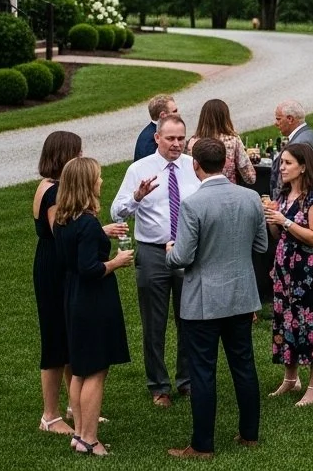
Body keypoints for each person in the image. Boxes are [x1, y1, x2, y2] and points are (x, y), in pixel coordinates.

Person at [166, 139, 268, 459]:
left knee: (203, 372)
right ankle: (249, 435)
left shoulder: (193, 204)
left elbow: (182, 256)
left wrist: (170, 252)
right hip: (240, 296)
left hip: (203, 301)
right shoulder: (250, 197)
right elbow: (262, 246)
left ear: (196, 164)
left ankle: (202, 445)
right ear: (225, 162)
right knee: (244, 366)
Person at [112, 115, 200, 407]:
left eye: (181, 138)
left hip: (188, 251)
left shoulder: (193, 166)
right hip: (152, 252)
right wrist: (136, 197)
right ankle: (158, 386)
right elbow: (117, 213)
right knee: (154, 321)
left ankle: (186, 380)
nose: (177, 144)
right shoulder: (139, 169)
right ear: (157, 138)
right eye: (171, 138)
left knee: (189, 317)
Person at [53, 157, 134, 457]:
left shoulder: (64, 220)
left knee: (79, 370)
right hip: (93, 300)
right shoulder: (86, 224)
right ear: (87, 184)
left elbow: (76, 252)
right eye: (98, 178)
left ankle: (78, 435)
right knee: (96, 371)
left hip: (73, 297)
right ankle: (89, 439)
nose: (101, 181)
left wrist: (103, 231)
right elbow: (89, 267)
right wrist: (116, 262)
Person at [263, 142, 313, 407]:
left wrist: (285, 221)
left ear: (303, 167)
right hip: (284, 268)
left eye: (288, 163)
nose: (282, 168)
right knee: (285, 321)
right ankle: (290, 378)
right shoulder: (282, 196)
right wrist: (272, 218)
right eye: (282, 163)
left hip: (306, 270)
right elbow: (277, 235)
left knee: (312, 323)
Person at [33, 130, 83, 436]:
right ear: (63, 155)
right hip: (54, 269)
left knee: (67, 337)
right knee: (55, 340)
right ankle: (50, 416)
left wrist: (96, 229)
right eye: (76, 152)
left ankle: (74, 405)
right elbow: (60, 235)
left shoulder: (50, 185)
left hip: (52, 262)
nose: (80, 157)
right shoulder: (52, 192)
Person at [189, 98, 257, 185]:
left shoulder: (193, 142)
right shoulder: (233, 140)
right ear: (225, 117)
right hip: (227, 192)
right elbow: (250, 177)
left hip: (200, 192)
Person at [270, 100, 313, 192]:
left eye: (278, 119)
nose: (275, 123)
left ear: (290, 119)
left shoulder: (300, 142)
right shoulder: (309, 134)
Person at [136, 94, 179, 161]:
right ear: (163, 115)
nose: (178, 114)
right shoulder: (153, 141)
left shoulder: (150, 131)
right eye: (174, 111)